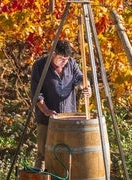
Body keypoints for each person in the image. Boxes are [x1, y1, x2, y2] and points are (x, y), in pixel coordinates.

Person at [30, 40, 92, 170]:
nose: (64, 62)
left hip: (68, 118)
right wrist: (46, 110)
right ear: (53, 54)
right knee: (43, 153)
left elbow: (80, 78)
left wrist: (85, 86)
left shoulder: (71, 64)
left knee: (67, 154)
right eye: (61, 59)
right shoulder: (40, 66)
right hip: (47, 120)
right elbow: (36, 94)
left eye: (67, 59)